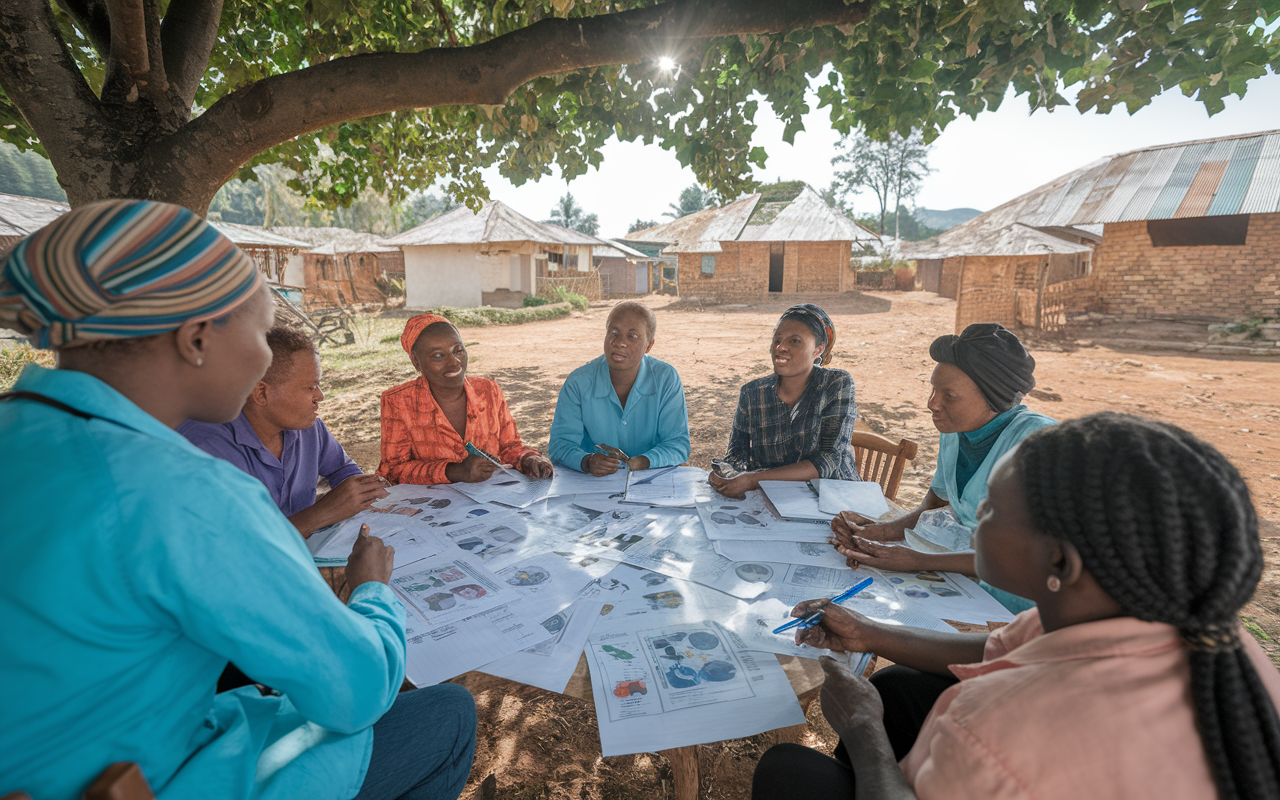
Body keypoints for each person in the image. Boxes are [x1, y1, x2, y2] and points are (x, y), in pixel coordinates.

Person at [0, 200, 475, 800]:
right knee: (448, 713)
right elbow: (354, 690)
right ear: (198, 339)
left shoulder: (19, 428)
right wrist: (374, 589)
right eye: (258, 334)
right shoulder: (183, 488)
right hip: (138, 774)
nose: (261, 357)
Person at [753, 413, 1280, 800]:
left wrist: (863, 729)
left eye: (991, 510)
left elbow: (989, 716)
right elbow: (1001, 645)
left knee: (789, 772)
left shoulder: (991, 731)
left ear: (1059, 560)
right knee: (898, 686)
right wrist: (867, 633)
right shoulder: (1183, 625)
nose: (972, 517)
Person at [830, 323, 1054, 612]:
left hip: (1022, 603)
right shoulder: (954, 433)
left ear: (993, 398)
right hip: (969, 584)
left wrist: (918, 561)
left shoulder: (1039, 444)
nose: (931, 403)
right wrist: (881, 532)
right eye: (933, 390)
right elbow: (934, 504)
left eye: (949, 396)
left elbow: (1028, 554)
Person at [179, 325, 389, 537]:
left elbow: (341, 469)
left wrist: (363, 492)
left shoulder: (307, 429)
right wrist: (322, 514)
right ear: (261, 393)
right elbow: (234, 544)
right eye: (310, 387)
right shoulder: (208, 449)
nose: (320, 396)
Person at [379, 313, 553, 484]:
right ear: (416, 362)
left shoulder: (488, 391)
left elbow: (510, 448)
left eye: (458, 350)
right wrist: (454, 471)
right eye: (438, 355)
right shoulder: (398, 402)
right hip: (433, 508)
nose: (454, 362)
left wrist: (528, 459)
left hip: (491, 501)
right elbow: (393, 471)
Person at [710, 303, 857, 498]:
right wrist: (724, 473)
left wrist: (754, 479)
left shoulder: (835, 384)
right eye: (777, 340)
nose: (780, 348)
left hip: (834, 500)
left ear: (818, 350)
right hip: (772, 498)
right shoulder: (753, 393)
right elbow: (738, 455)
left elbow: (828, 460)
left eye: (795, 341)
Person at [548, 300, 690, 475]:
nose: (620, 342)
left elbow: (678, 445)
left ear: (649, 345)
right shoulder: (579, 382)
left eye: (633, 336)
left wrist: (644, 461)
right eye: (614, 333)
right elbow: (560, 445)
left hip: (652, 481)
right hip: (591, 484)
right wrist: (587, 461)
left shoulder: (666, 379)